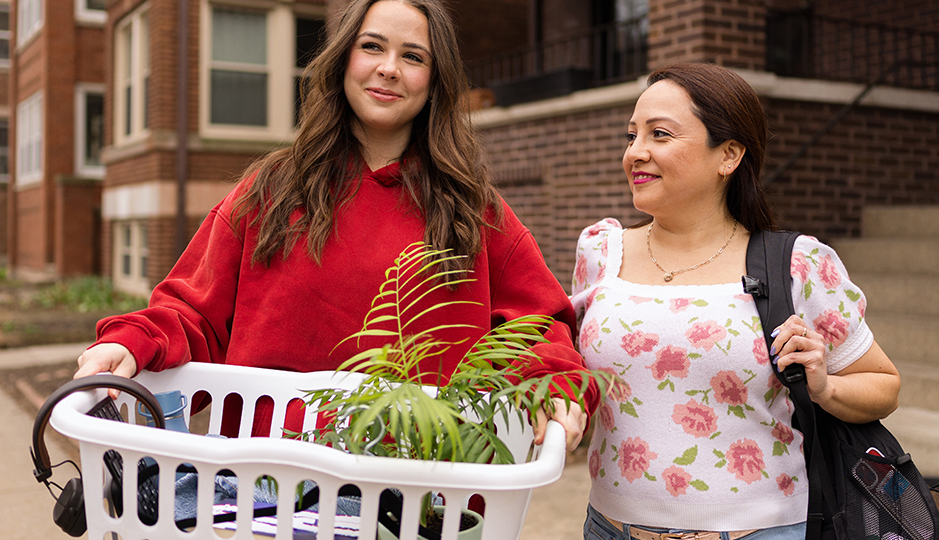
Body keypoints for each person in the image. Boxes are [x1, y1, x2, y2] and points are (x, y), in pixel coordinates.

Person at [76, 0, 594, 448]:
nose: (389, 68)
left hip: (420, 496)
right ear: (343, 58)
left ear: (435, 81)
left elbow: (538, 328)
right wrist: (131, 341)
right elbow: (192, 312)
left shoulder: (474, 210)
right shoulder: (271, 189)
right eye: (372, 47)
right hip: (261, 489)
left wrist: (553, 385)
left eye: (413, 56)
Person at [570, 63, 901, 540]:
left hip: (761, 539)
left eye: (659, 134)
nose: (635, 153)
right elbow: (569, 370)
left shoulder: (797, 264)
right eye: (632, 135)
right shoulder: (600, 252)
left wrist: (825, 386)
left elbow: (884, 385)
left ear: (728, 154)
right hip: (611, 534)